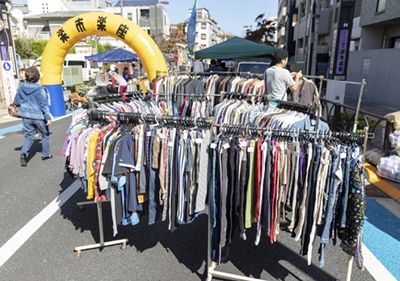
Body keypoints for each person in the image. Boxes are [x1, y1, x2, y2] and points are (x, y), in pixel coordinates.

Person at [14, 66, 52, 167]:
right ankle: (46, 154)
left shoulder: (21, 87)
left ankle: (24, 154)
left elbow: (16, 101)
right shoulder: (41, 89)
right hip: (38, 116)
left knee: (29, 136)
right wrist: (48, 117)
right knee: (45, 135)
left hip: (26, 116)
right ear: (37, 77)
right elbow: (44, 105)